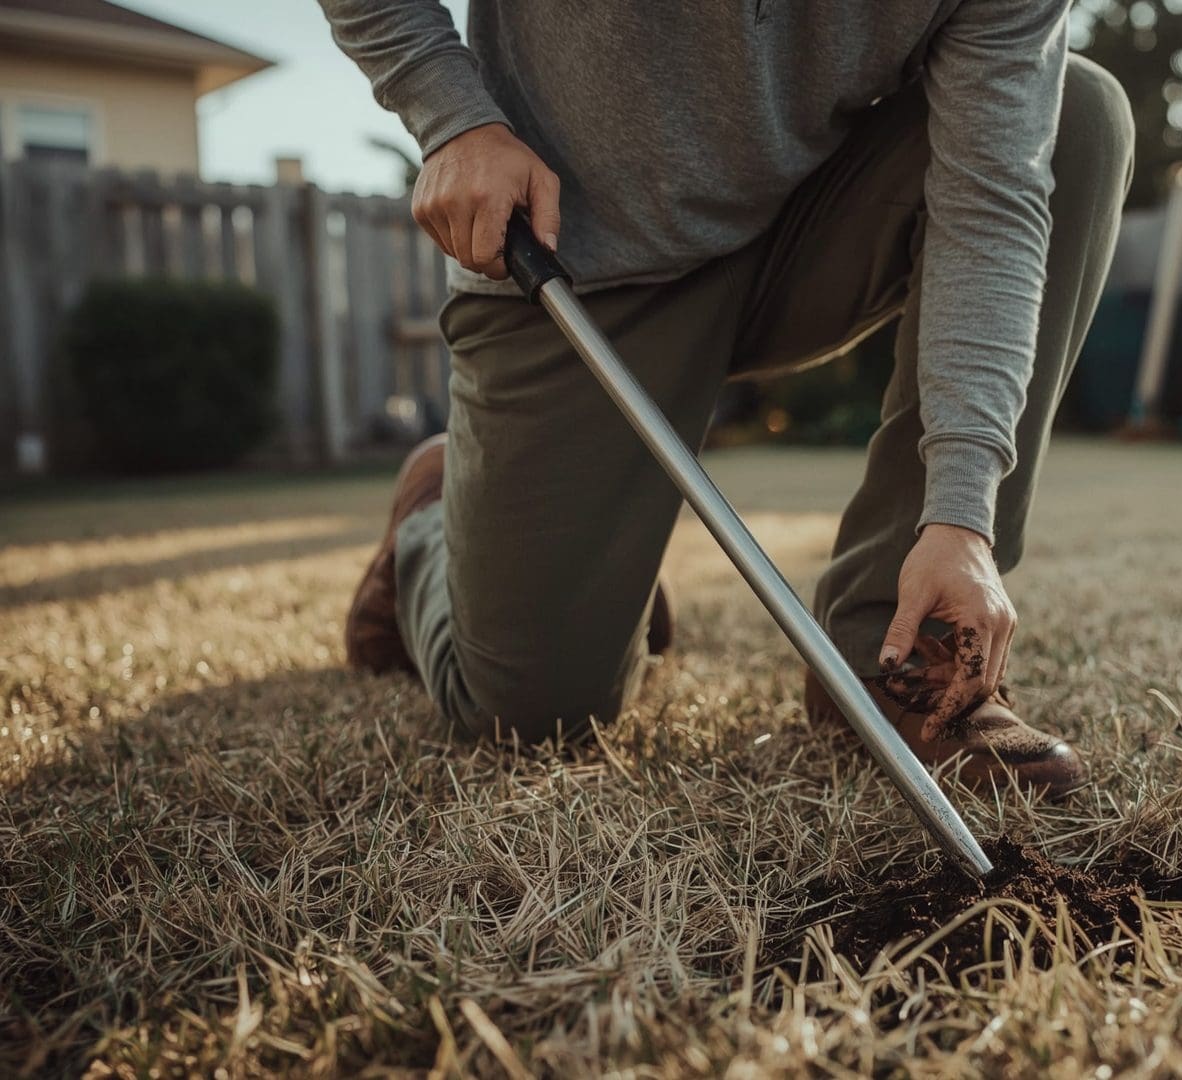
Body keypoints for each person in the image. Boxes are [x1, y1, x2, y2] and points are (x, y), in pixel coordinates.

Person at [321, 2, 1133, 797]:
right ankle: (432, 525)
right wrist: (453, 115)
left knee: (1078, 112)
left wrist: (961, 514)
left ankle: (894, 656)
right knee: (536, 716)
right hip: (570, 256)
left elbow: (993, 204)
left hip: (796, 234)